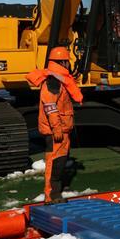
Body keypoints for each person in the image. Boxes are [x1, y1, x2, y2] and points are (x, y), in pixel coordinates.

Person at [26, 47, 83, 203]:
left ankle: (55, 192)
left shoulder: (59, 80)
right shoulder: (53, 81)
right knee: (54, 163)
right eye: (67, 61)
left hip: (62, 130)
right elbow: (50, 107)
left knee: (60, 161)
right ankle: (51, 196)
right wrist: (57, 128)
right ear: (62, 62)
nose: (68, 64)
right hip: (56, 131)